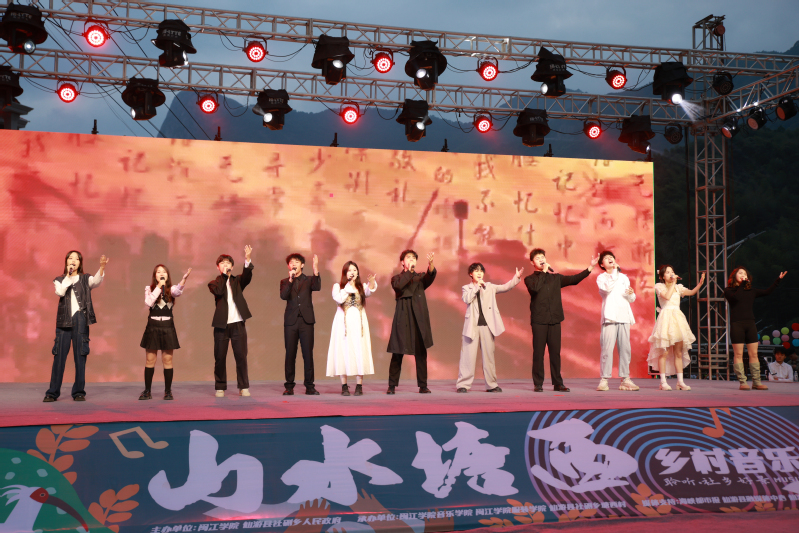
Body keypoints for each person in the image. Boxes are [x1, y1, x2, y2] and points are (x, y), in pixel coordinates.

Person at [525, 249, 599, 392]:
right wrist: (544, 272)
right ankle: (538, 384)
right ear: (532, 262)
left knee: (555, 353)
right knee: (538, 353)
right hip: (539, 321)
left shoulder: (555, 278)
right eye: (537, 258)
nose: (541, 259)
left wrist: (590, 268)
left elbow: (574, 279)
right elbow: (535, 289)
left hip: (555, 320)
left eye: (542, 257)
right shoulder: (530, 279)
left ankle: (558, 383)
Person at [44, 251, 108, 402]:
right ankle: (52, 393)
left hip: (80, 319)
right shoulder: (59, 280)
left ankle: (79, 392)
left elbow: (96, 281)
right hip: (63, 322)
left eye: (76, 259)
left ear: (80, 263)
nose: (73, 260)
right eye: (70, 258)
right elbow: (60, 292)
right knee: (59, 358)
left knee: (80, 357)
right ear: (66, 261)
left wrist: (102, 267)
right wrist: (68, 275)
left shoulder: (85, 278)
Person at [456, 263, 523, 393]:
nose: (479, 273)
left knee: (489, 357)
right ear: (471, 274)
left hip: (487, 326)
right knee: (467, 356)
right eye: (476, 271)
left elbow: (505, 287)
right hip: (472, 326)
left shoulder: (490, 287)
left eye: (481, 271)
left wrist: (516, 278)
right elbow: (467, 299)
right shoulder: (466, 288)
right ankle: (463, 385)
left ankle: (491, 385)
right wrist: (477, 287)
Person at [724, 267, 787, 390]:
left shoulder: (751, 291)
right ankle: (742, 382)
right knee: (738, 354)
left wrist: (778, 280)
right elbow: (736, 298)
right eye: (740, 273)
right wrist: (743, 285)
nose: (743, 274)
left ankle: (756, 382)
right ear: (734, 276)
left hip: (750, 323)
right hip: (737, 324)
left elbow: (767, 292)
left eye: (745, 273)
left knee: (753, 353)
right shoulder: (729, 290)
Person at [138, 264, 191, 401]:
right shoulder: (149, 289)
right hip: (153, 326)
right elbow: (149, 302)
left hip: (167, 327)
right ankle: (147, 391)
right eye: (158, 272)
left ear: (167, 275)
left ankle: (168, 391)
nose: (161, 274)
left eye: (164, 272)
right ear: (155, 275)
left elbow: (178, 292)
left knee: (167, 359)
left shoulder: (171, 289)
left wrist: (184, 279)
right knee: (150, 359)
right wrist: (158, 287)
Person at [386, 250, 436, 394]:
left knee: (421, 353)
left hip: (418, 317)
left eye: (414, 258)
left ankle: (423, 385)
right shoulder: (396, 278)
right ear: (402, 262)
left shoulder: (420, 278)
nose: (412, 259)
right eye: (408, 258)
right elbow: (399, 286)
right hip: (403, 316)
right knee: (397, 352)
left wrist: (431, 265)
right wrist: (409, 271)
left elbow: (429, 277)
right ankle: (392, 385)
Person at [647, 265, 705, 391]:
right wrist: (673, 283)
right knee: (664, 351)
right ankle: (663, 382)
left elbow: (691, 292)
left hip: (677, 319)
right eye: (668, 272)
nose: (671, 274)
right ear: (662, 276)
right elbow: (667, 297)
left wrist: (700, 284)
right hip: (665, 319)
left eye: (672, 271)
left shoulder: (679, 287)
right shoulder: (659, 286)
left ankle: (680, 382)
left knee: (678, 352)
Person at [326, 261, 377, 396]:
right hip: (343, 324)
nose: (352, 272)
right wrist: (348, 285)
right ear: (345, 273)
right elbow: (338, 299)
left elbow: (369, 291)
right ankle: (344, 386)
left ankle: (359, 386)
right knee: (343, 351)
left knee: (359, 350)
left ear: (358, 273)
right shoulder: (338, 287)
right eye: (349, 270)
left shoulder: (362, 287)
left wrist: (372, 283)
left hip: (359, 323)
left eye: (354, 270)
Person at [208, 246, 253, 397]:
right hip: (221, 325)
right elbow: (219, 291)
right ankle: (220, 387)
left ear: (232, 267)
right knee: (220, 357)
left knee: (241, 357)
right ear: (218, 267)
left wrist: (247, 259)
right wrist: (224, 277)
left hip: (238, 324)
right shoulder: (213, 283)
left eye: (228, 263)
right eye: (222, 263)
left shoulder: (237, 281)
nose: (225, 265)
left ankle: (243, 386)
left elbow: (247, 276)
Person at [595, 251, 639, 392]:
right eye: (606, 258)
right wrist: (614, 271)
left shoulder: (624, 277)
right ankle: (604, 379)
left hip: (624, 316)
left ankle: (625, 379)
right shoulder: (601, 278)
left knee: (625, 349)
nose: (610, 259)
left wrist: (631, 293)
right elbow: (607, 289)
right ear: (602, 264)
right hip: (610, 317)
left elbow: (631, 298)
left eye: (612, 257)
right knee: (607, 349)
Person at [280, 253, 321, 395]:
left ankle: (310, 386)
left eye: (296, 262)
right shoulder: (285, 281)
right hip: (291, 322)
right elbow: (283, 296)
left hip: (306, 321)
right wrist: (291, 280)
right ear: (288, 266)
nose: (294, 264)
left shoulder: (308, 280)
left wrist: (316, 269)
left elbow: (317, 287)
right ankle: (289, 386)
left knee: (307, 354)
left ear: (302, 265)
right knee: (290, 354)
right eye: (291, 262)